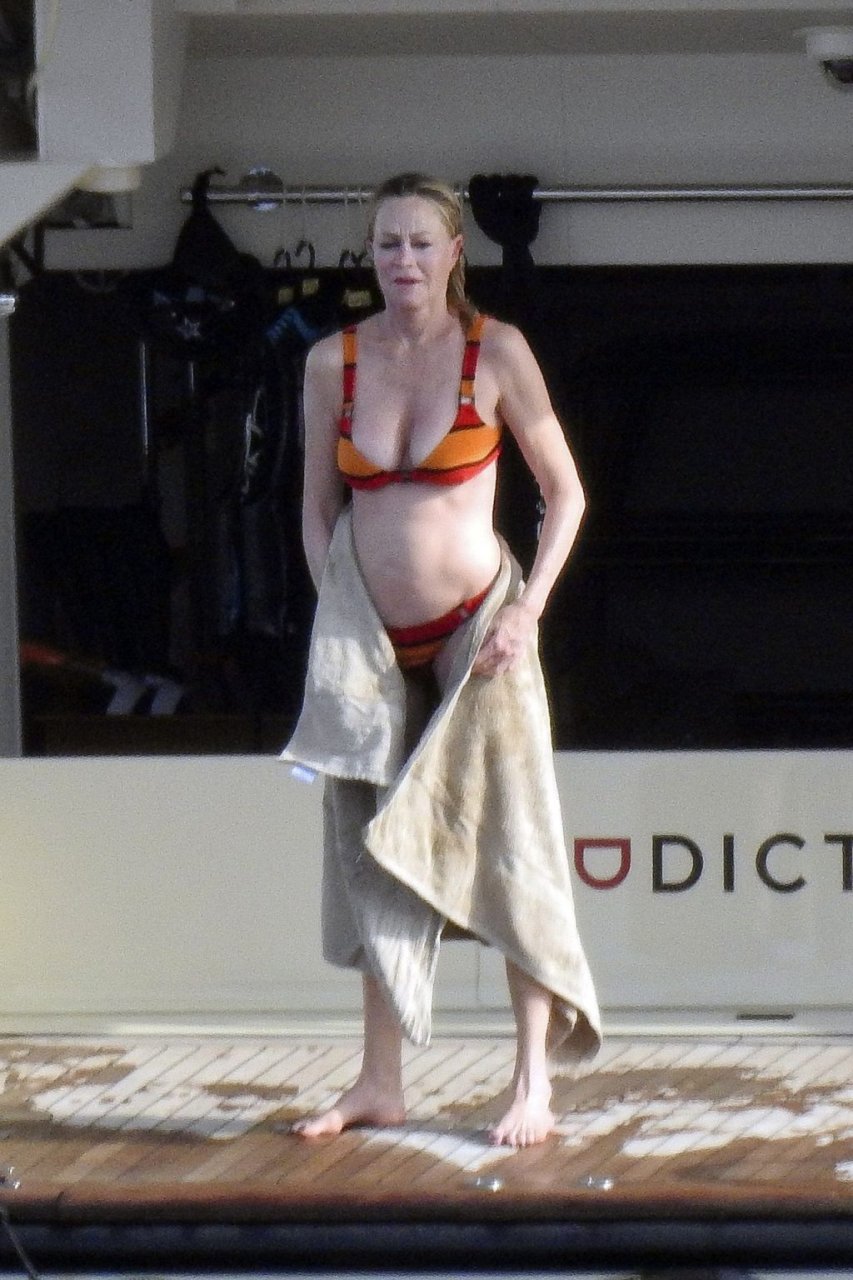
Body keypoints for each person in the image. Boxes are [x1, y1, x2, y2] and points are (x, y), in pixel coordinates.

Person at [281, 172, 600, 1147]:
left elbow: (565, 494)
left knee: (514, 844)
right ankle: (380, 1080)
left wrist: (528, 614)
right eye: (387, 244)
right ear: (370, 254)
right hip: (370, 639)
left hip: (478, 629)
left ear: (454, 251)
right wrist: (341, 614)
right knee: (371, 847)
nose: (403, 260)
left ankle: (531, 1082)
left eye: (420, 243)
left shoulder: (495, 350)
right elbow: (316, 507)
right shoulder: (332, 362)